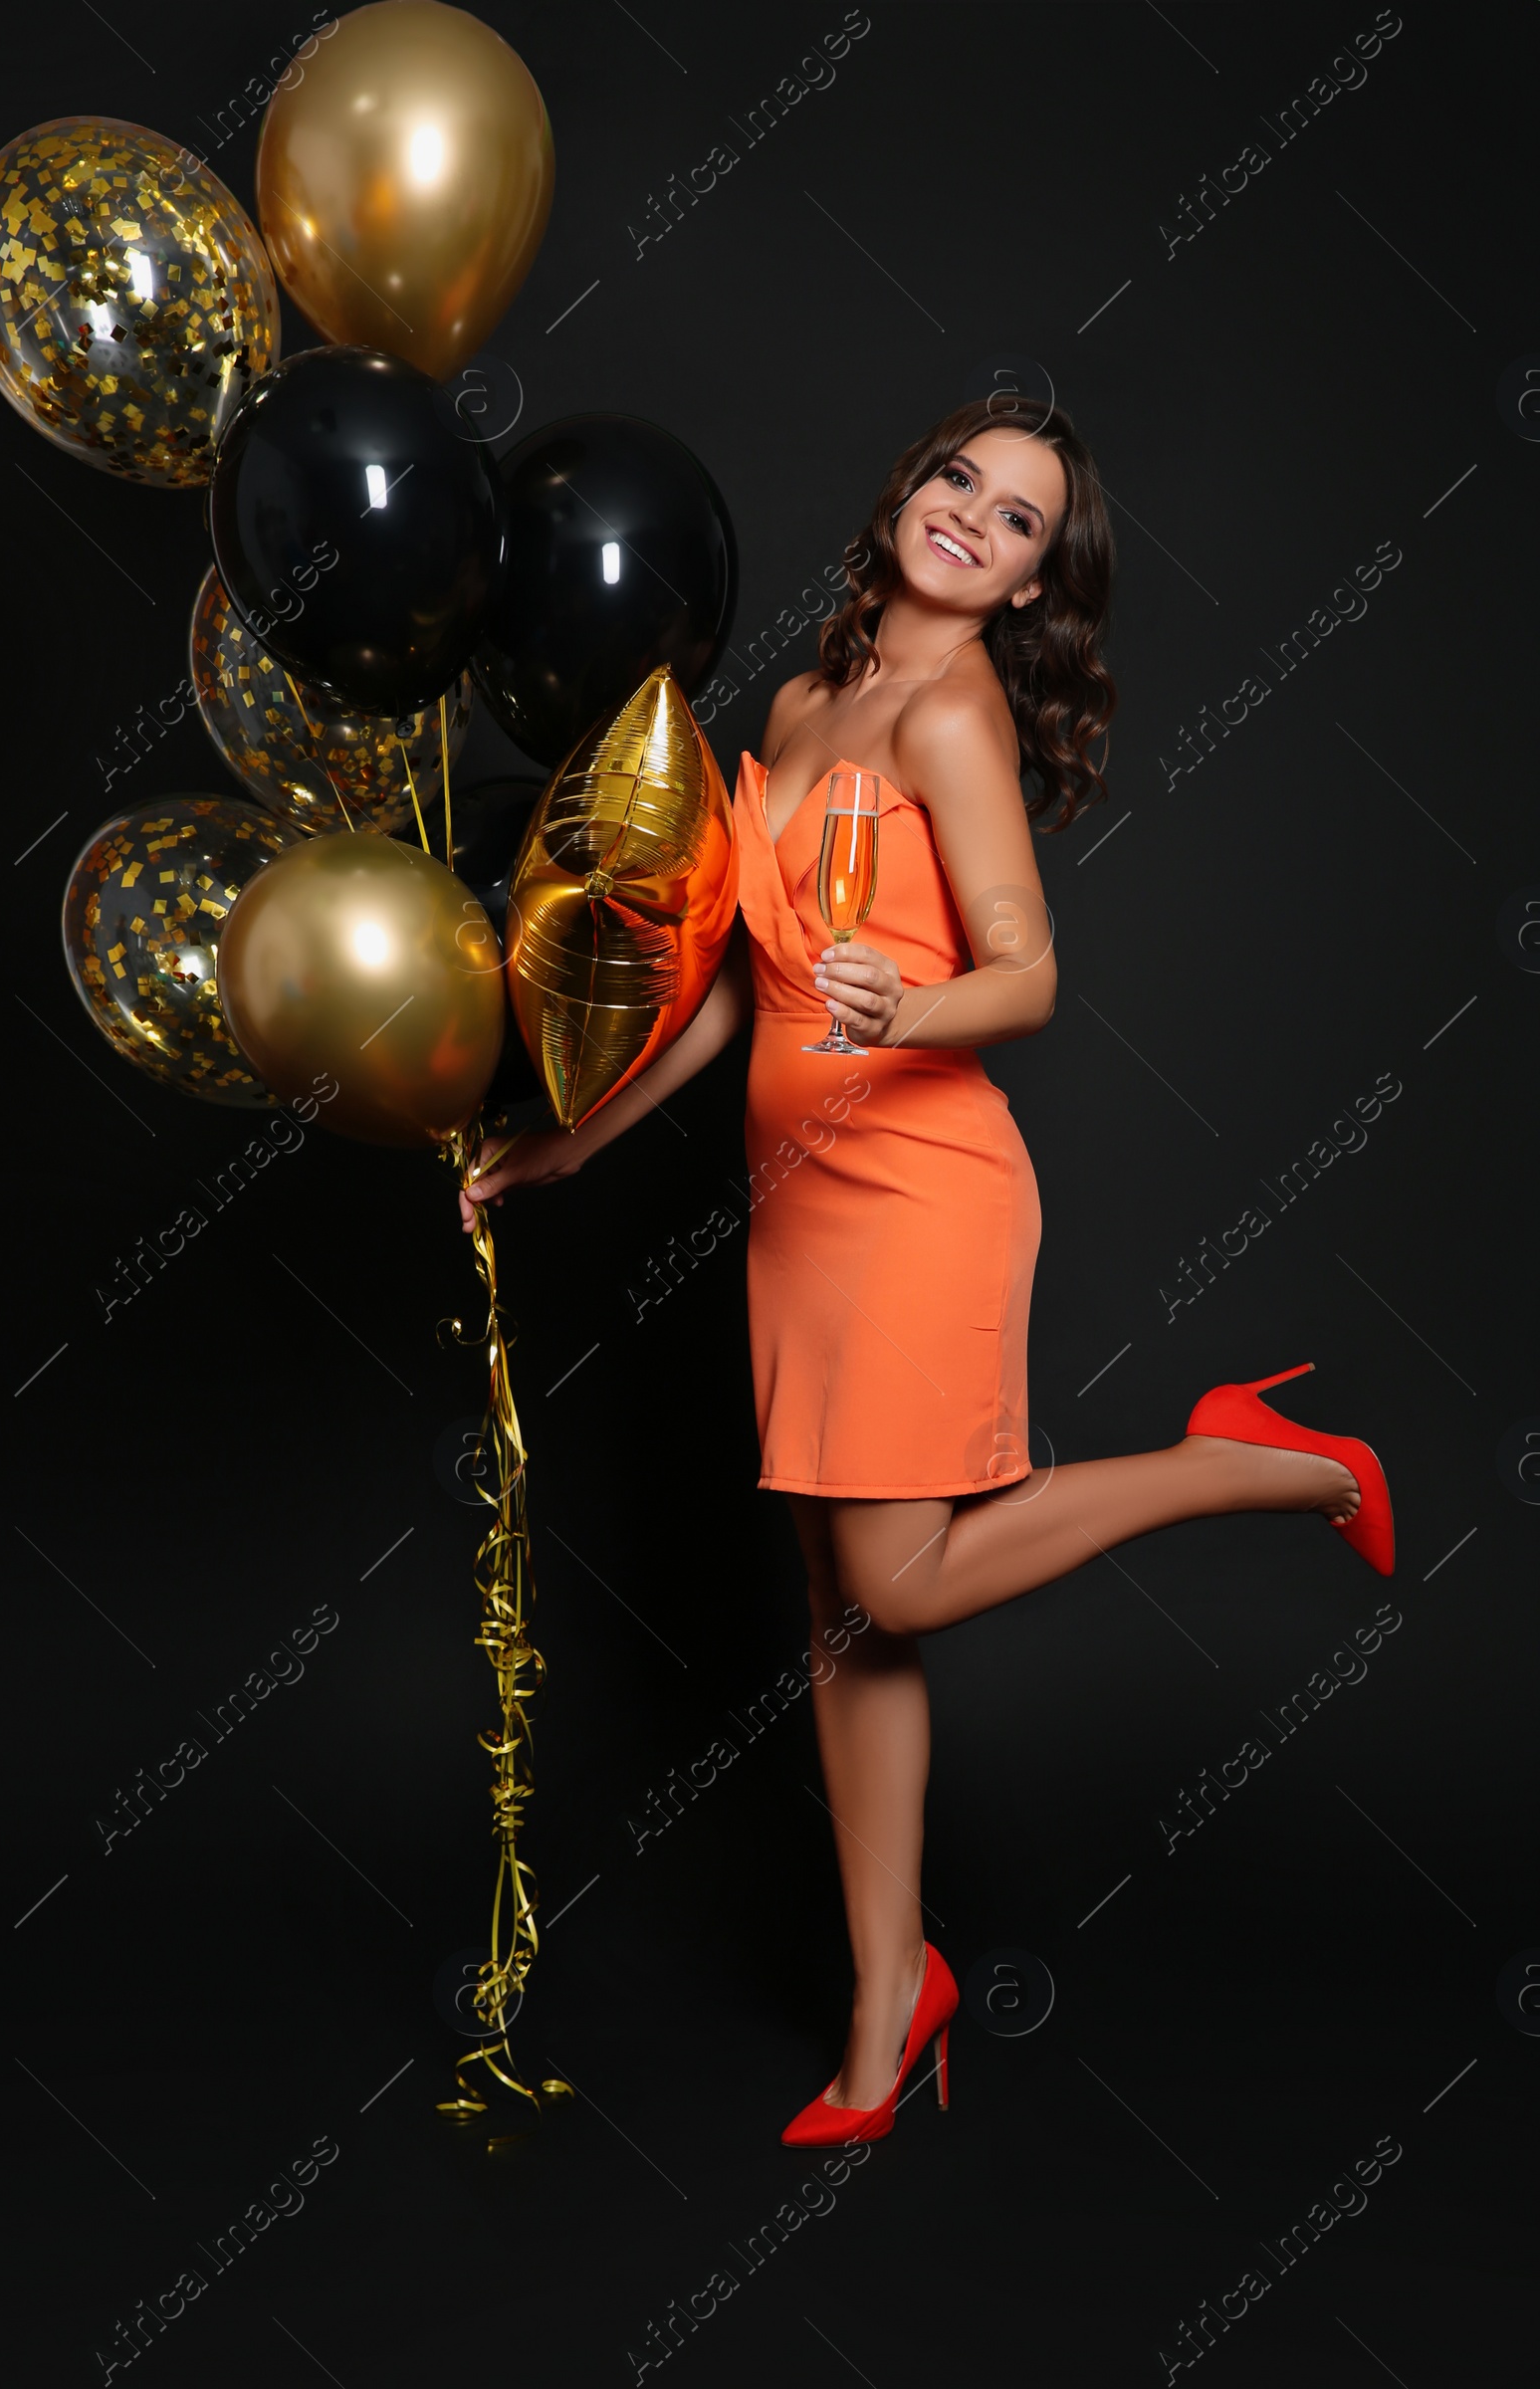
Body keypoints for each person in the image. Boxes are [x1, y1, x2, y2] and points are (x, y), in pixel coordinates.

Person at [456, 397, 1394, 2147]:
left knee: (894, 1587)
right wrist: (571, 1141)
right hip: (796, 1204)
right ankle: (893, 1998)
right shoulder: (807, 704)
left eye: (1021, 518)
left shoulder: (956, 714)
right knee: (840, 1611)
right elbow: (738, 985)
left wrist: (916, 1000)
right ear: (908, 489)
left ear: (1040, 582)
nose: (975, 515)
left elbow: (1029, 972)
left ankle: (1242, 1462)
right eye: (961, 478)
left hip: (923, 1183)